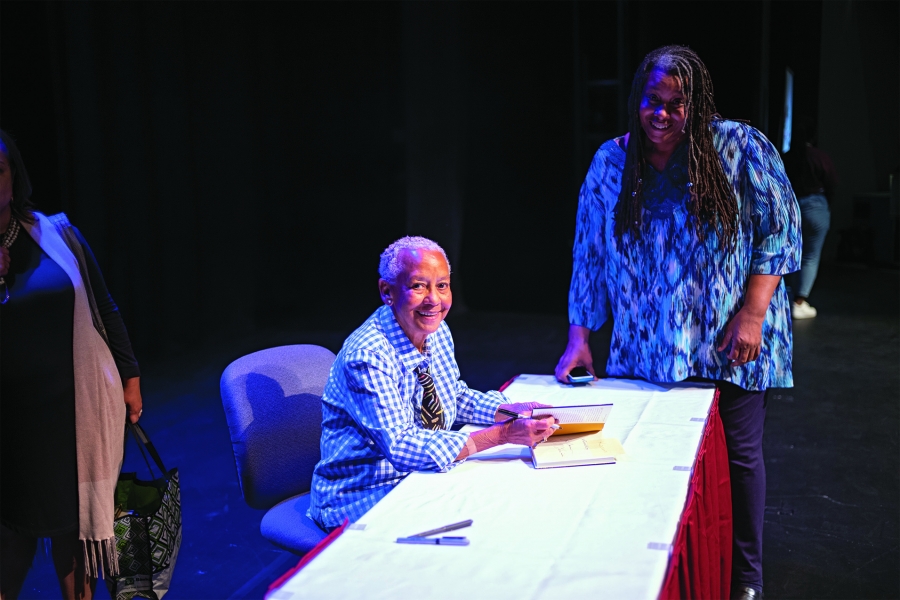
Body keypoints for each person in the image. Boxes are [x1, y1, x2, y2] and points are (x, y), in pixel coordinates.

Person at [554, 46, 801, 600]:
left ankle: (745, 579)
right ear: (636, 100)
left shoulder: (736, 148)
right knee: (648, 457)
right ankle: (657, 573)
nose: (662, 114)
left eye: (676, 103)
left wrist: (754, 314)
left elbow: (779, 234)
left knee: (736, 458)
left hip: (726, 340)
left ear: (698, 105)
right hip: (647, 344)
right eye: (652, 101)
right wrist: (579, 339)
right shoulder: (611, 163)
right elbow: (589, 254)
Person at [309, 236, 555, 531]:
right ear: (387, 291)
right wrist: (502, 435)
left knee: (512, 497)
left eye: (442, 285)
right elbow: (401, 446)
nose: (434, 300)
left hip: (419, 477)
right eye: (418, 286)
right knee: (485, 519)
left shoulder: (435, 329)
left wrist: (511, 411)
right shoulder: (367, 355)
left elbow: (453, 395)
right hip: (361, 493)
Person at [0, 130, 143, 600]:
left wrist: (130, 378)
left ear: (13, 176)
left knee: (74, 533)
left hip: (73, 419)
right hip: (11, 429)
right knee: (12, 539)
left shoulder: (57, 233)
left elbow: (105, 307)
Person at [783, 115, 838, 319]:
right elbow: (832, 182)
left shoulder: (787, 157)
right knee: (810, 256)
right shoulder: (819, 157)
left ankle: (784, 297)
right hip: (815, 206)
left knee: (788, 253)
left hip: (791, 207)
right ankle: (799, 301)